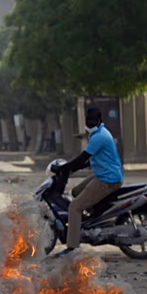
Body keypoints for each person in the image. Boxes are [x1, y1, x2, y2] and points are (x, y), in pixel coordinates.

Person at [51, 108, 124, 257]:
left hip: (107, 179)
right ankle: (92, 221)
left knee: (74, 207)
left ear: (99, 120)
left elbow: (82, 158)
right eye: (88, 120)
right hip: (103, 174)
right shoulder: (97, 133)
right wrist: (70, 169)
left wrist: (62, 168)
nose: (90, 123)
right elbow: (89, 160)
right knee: (76, 191)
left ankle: (72, 248)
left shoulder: (99, 137)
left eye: (93, 120)